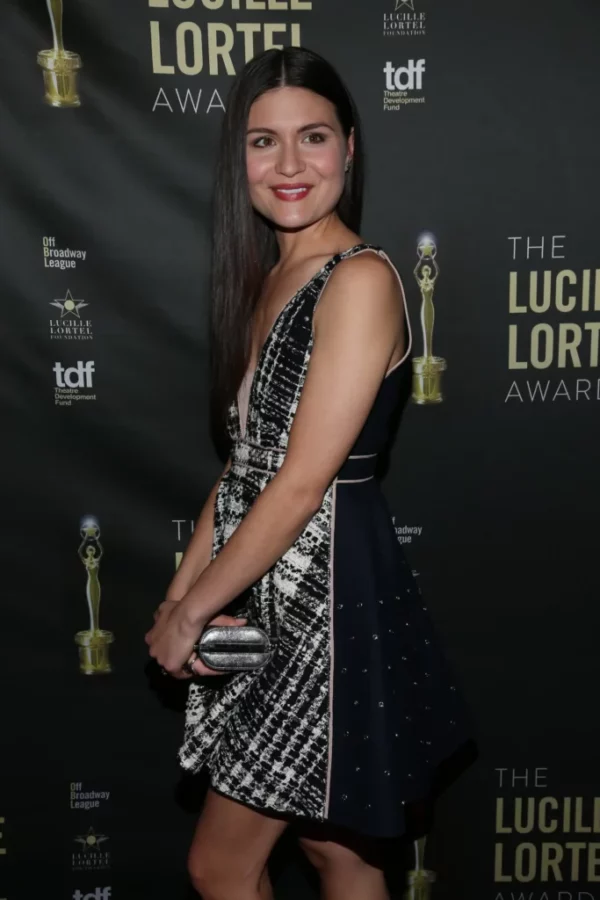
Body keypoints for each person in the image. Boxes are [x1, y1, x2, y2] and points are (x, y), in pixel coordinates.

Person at [146, 45, 472, 900]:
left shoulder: (359, 281)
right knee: (338, 853)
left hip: (321, 608)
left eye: (313, 137)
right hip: (263, 590)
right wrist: (180, 597)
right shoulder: (270, 277)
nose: (289, 164)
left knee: (220, 865)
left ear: (350, 147)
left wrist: (196, 612)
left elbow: (299, 484)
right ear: (239, 158)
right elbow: (244, 469)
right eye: (264, 141)